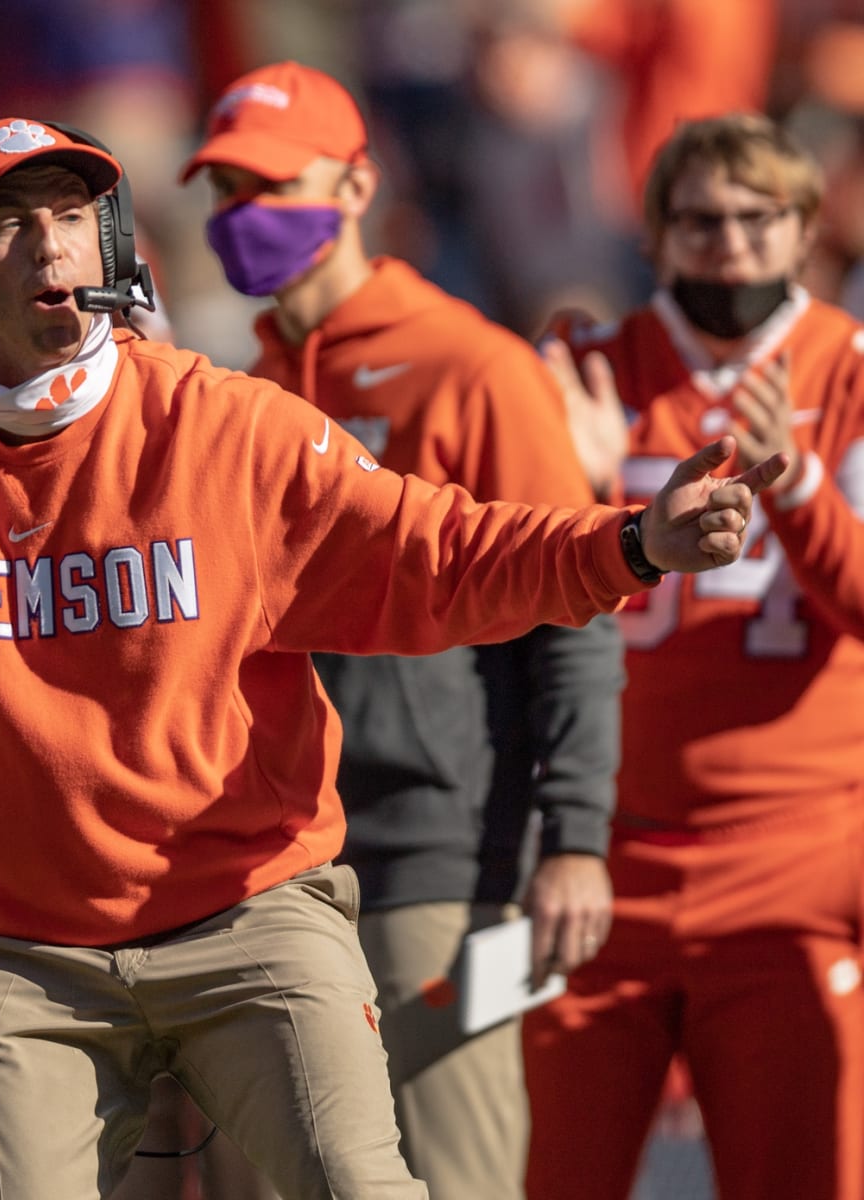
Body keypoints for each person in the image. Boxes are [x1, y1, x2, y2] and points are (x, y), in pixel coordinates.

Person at [0, 116, 783, 1200]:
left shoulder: (227, 426)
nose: (48, 245)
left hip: (247, 911)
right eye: (6, 224)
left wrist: (633, 542)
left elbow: (445, 553)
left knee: (362, 1185)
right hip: (16, 950)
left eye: (70, 216)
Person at [179, 59, 625, 1199]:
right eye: (227, 192)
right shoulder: (243, 389)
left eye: (275, 186)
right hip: (276, 863)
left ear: (359, 183)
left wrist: (572, 837)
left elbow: (572, 613)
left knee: (452, 1167)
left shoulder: (469, 366)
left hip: (442, 854)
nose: (246, 217)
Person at [522, 112, 864, 1200]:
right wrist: (566, 488)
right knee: (553, 1177)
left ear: (805, 229)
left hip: (792, 857)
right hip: (602, 852)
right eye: (700, 221)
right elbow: (512, 592)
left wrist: (807, 493)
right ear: (658, 236)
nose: (729, 246)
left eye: (757, 220)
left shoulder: (850, 372)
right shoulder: (592, 371)